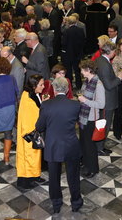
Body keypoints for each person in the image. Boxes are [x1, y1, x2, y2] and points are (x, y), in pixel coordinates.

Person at [36, 77, 83, 214]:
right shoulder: (75, 105)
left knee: (54, 177)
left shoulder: (46, 105)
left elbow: (39, 126)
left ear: (54, 89)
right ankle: (76, 203)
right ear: (68, 89)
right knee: (73, 177)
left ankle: (56, 203)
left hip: (53, 146)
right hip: (71, 145)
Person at [16, 75, 46, 189]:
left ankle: (35, 176)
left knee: (35, 157)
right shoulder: (28, 99)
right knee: (29, 157)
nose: (43, 87)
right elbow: (31, 118)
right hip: (29, 134)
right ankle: (26, 181)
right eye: (41, 85)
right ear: (34, 86)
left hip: (33, 132)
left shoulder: (31, 94)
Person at [95, 41, 122, 155]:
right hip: (107, 100)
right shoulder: (106, 65)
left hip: (102, 97)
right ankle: (99, 148)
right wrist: (119, 78)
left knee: (101, 123)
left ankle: (98, 145)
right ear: (111, 52)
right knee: (104, 125)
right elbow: (109, 85)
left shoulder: (99, 60)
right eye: (114, 51)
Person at [78, 60, 105, 178]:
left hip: (91, 119)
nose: (81, 72)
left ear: (88, 70)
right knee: (83, 143)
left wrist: (85, 101)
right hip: (83, 117)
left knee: (90, 146)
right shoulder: (87, 81)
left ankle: (93, 168)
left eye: (82, 70)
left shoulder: (98, 85)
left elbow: (101, 104)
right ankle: (85, 164)